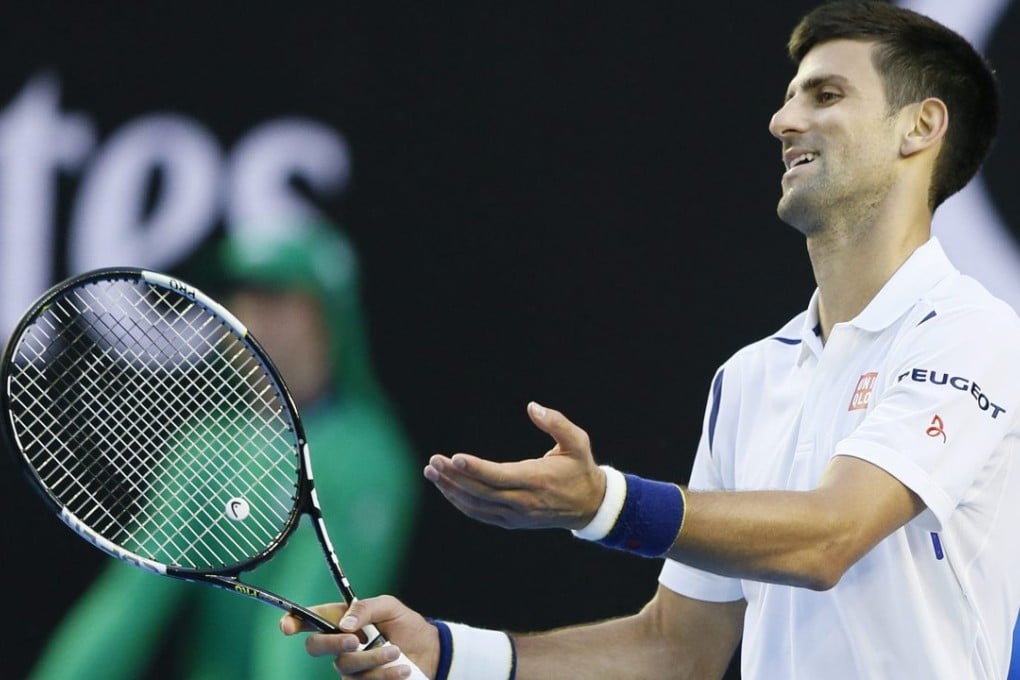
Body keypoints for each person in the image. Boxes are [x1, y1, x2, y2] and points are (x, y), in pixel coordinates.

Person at [282, 2, 1020, 679]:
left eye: (826, 95)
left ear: (920, 127)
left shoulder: (973, 334)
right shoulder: (750, 377)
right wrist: (446, 651)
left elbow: (831, 536)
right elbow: (675, 647)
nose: (782, 120)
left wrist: (604, 502)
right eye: (790, 96)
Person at [31, 221, 421, 680]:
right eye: (244, 299)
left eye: (277, 301)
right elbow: (128, 605)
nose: (252, 319)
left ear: (328, 317)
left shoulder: (368, 458)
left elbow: (300, 647)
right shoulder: (207, 447)